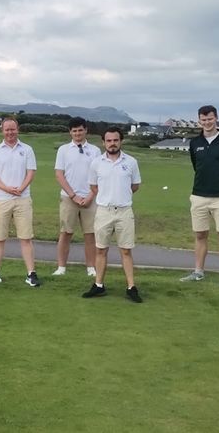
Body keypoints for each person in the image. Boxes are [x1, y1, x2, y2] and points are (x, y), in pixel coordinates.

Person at [180, 105, 219, 286]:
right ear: (199, 121)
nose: (207, 122)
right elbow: (196, 165)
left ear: (216, 118)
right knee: (200, 235)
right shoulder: (195, 143)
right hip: (198, 195)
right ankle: (198, 272)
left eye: (210, 119)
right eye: (204, 119)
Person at [82, 127, 143, 303]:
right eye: (109, 141)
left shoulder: (131, 162)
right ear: (103, 143)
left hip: (124, 211)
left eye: (115, 140)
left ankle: (131, 287)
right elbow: (94, 187)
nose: (112, 144)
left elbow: (135, 186)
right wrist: (107, 196)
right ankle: (98, 285)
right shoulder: (96, 163)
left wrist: (120, 196)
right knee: (101, 249)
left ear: (121, 141)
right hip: (104, 211)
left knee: (126, 250)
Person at [0, 117, 39, 287]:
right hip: (2, 200)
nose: (10, 132)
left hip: (23, 199)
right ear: (2, 131)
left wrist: (21, 188)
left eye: (13, 129)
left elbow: (31, 172)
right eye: (7, 129)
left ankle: (31, 274)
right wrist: (7, 189)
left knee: (26, 238)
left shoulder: (27, 149)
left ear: (18, 129)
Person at [53, 117, 99, 277]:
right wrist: (73, 195)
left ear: (86, 130)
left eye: (80, 130)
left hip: (90, 198)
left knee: (90, 234)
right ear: (70, 132)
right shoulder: (63, 150)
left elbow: (98, 176)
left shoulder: (95, 150)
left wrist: (90, 196)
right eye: (74, 131)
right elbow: (59, 175)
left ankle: (91, 267)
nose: (77, 133)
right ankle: (61, 267)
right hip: (68, 198)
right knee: (65, 233)